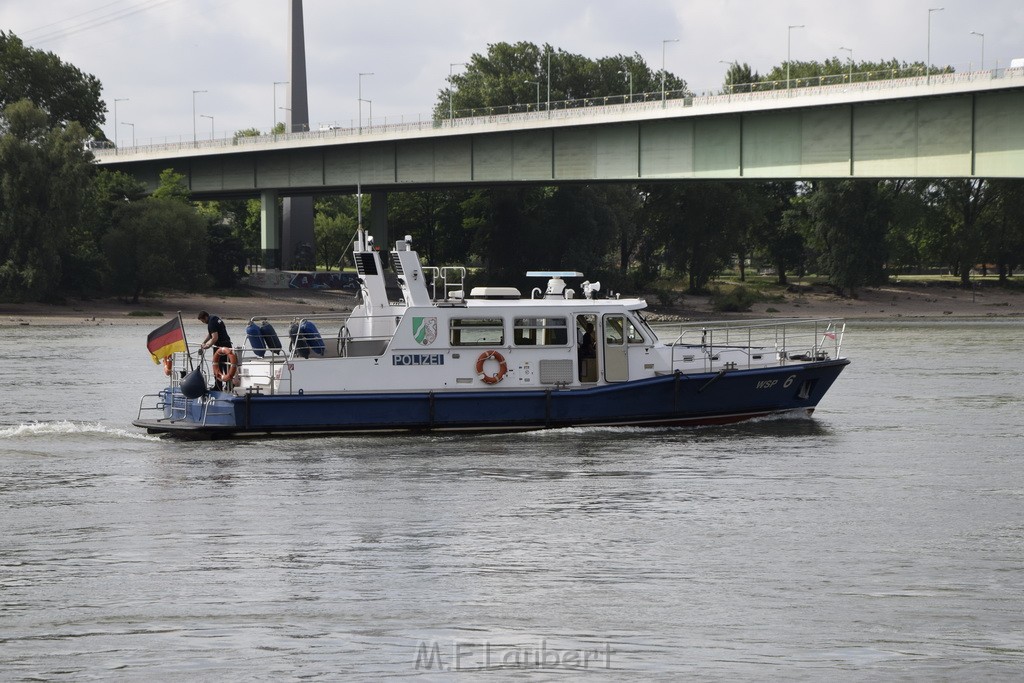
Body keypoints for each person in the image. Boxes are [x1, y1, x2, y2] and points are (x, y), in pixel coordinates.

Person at [198, 311, 233, 390]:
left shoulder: (211, 323)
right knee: (226, 366)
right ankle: (229, 385)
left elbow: (215, 337)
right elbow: (211, 334)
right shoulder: (215, 318)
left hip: (220, 346)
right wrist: (204, 342)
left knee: (217, 366)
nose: (203, 322)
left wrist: (208, 346)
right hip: (228, 345)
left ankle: (218, 386)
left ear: (205, 317)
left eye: (202, 321)